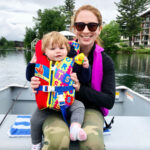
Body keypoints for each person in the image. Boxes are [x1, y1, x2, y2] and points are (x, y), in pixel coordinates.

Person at [30, 5, 115, 150]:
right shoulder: (57, 51)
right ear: (74, 29)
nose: (86, 31)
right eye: (80, 26)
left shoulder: (105, 61)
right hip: (54, 107)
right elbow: (36, 72)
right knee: (56, 142)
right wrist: (35, 81)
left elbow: (108, 101)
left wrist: (80, 88)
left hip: (90, 109)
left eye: (92, 26)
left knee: (93, 144)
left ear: (99, 29)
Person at [26, 31, 91, 150]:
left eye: (62, 48)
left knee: (79, 106)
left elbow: (85, 78)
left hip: (67, 103)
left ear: (67, 50)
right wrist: (31, 64)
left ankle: (75, 128)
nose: (58, 51)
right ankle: (35, 144)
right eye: (53, 48)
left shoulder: (71, 63)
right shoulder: (40, 62)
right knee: (34, 120)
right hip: (47, 105)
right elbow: (29, 76)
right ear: (45, 51)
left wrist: (86, 67)